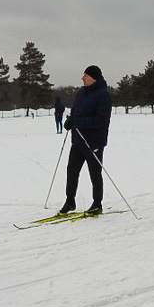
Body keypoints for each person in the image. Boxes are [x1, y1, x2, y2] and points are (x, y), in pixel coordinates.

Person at [60, 65, 112, 214]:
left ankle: (97, 204)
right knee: (72, 170)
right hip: (78, 141)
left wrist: (79, 123)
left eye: (85, 76)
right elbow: (76, 112)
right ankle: (70, 201)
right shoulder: (81, 92)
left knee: (95, 173)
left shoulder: (103, 95)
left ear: (93, 78)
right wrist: (70, 120)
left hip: (94, 142)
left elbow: (101, 120)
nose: (82, 78)